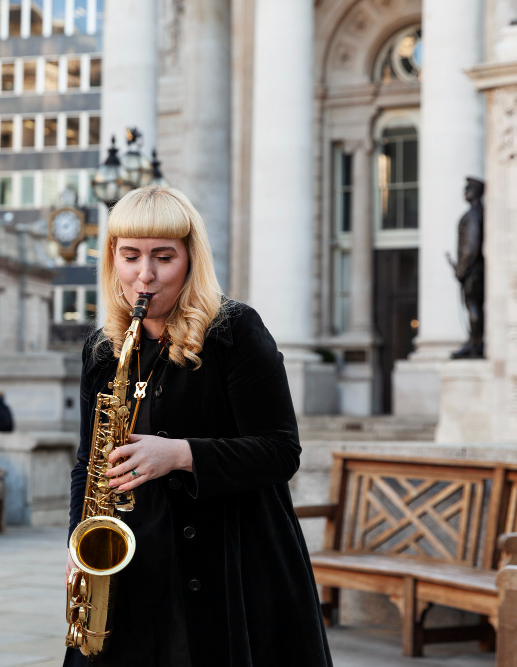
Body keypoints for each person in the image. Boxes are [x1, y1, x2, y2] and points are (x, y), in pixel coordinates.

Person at [64, 186, 332, 666]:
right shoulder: (103, 349)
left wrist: (181, 454)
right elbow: (87, 461)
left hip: (228, 566)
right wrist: (77, 542)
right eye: (131, 256)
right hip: (130, 561)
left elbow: (280, 451)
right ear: (112, 260)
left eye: (163, 257)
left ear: (190, 259)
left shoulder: (235, 331)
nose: (144, 275)